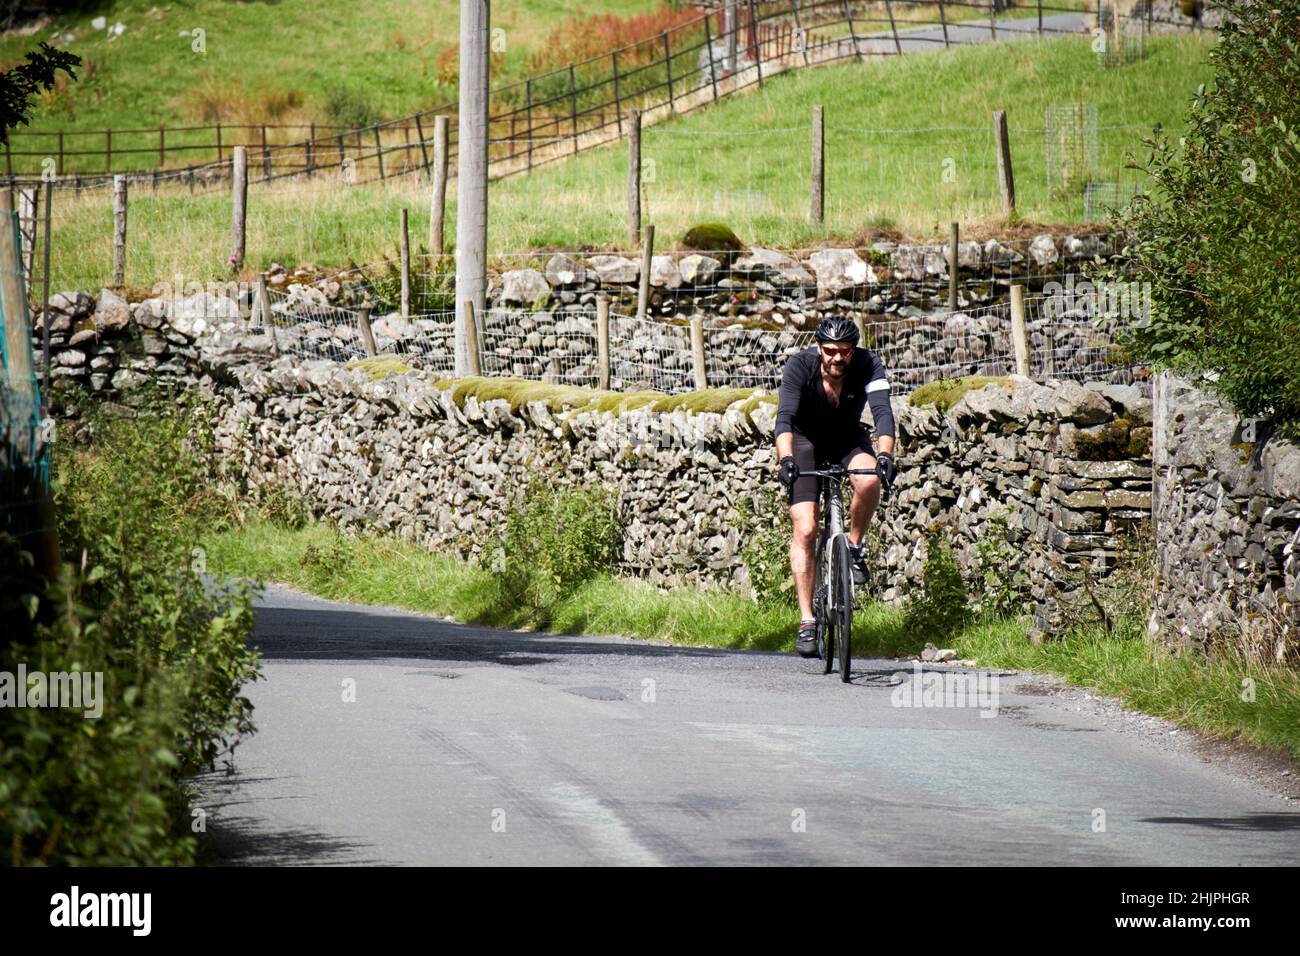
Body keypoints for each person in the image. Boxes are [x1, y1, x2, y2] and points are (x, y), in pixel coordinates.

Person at [774, 316, 897, 658]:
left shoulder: (869, 364)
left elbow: (883, 414)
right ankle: (807, 620)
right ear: (819, 349)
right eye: (830, 351)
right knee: (807, 528)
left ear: (853, 351)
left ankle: (854, 547)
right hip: (804, 442)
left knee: (870, 477)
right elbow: (783, 418)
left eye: (844, 351)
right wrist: (786, 460)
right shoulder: (800, 366)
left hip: (847, 439)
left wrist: (885, 454)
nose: (837, 358)